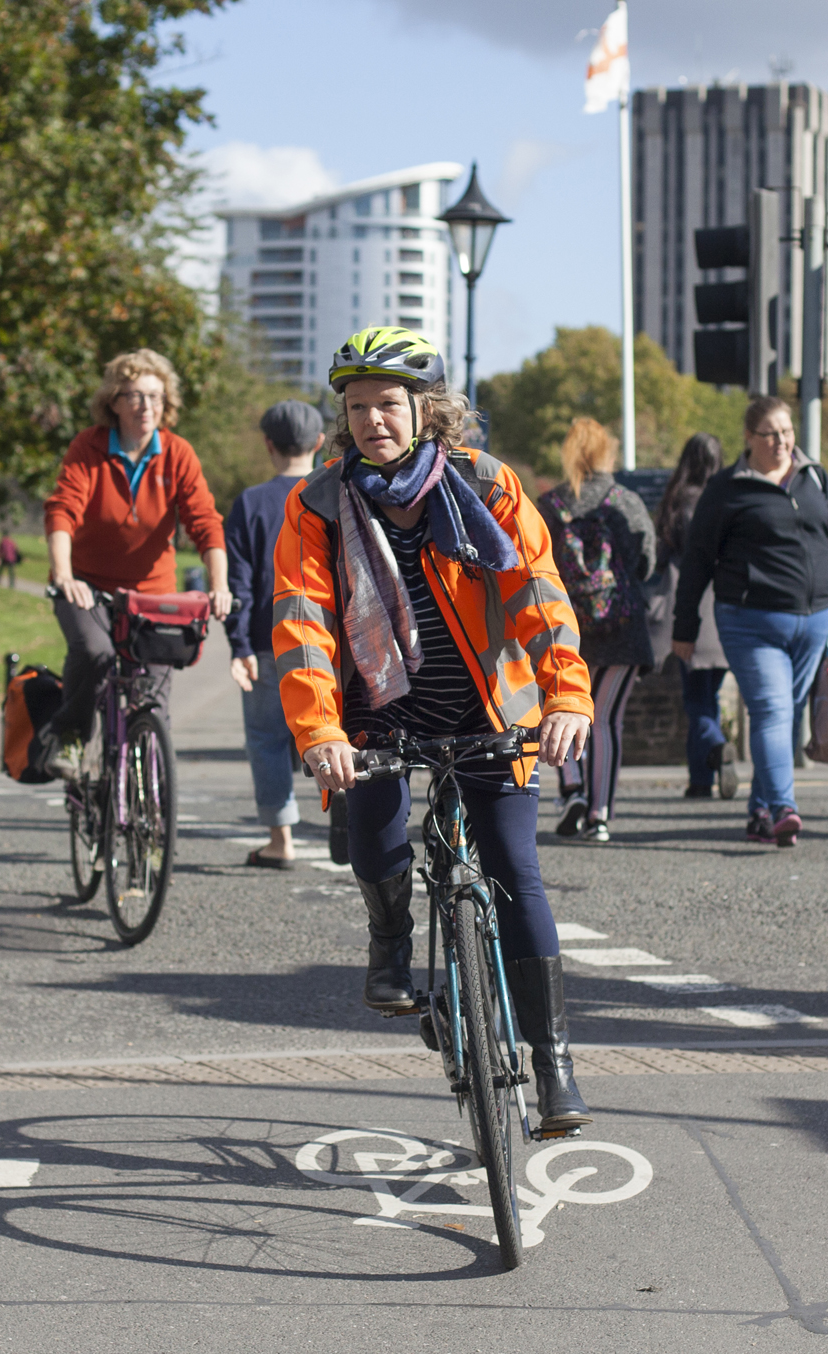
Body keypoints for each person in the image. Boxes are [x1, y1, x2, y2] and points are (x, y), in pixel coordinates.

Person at [272, 327, 594, 1134]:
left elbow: (538, 593)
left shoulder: (486, 484)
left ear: (426, 411)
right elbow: (304, 621)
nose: (372, 420)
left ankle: (554, 1069)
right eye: (357, 408)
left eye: (388, 404)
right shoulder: (316, 500)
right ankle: (389, 939)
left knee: (516, 871)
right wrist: (319, 730)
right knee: (375, 848)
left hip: (489, 710)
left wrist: (566, 699)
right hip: (377, 715)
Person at [674, 396, 828, 847]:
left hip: (816, 617)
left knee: (781, 715)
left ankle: (759, 810)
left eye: (787, 432)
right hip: (750, 619)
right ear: (750, 438)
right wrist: (685, 628)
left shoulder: (816, 479)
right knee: (773, 711)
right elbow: (698, 558)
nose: (781, 441)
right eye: (771, 434)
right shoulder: (727, 488)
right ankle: (783, 807)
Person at [38, 349, 230, 776]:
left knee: (152, 697)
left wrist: (219, 585)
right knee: (95, 651)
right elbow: (62, 510)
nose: (147, 407)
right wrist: (65, 575)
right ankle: (70, 735)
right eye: (136, 396)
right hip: (88, 584)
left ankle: (148, 791)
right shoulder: (88, 446)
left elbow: (205, 523)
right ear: (114, 401)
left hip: (152, 592)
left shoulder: (178, 453)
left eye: (156, 398)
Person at [537, 417, 655, 843]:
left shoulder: (549, 504)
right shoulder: (626, 501)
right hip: (622, 629)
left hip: (565, 630)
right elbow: (647, 564)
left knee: (559, 707)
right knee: (604, 721)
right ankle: (600, 814)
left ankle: (572, 788)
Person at [226, 399, 325, 868]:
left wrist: (239, 644)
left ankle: (280, 839)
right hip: (331, 639)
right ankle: (341, 800)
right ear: (320, 444)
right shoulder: (335, 493)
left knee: (266, 738)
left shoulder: (250, 503)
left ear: (268, 445)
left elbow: (238, 581)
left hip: (271, 636)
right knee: (337, 727)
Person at [652, 433, 733, 798]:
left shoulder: (677, 502)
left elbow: (659, 557)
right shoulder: (725, 500)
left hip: (689, 612)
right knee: (709, 697)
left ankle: (715, 746)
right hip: (724, 611)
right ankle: (700, 780)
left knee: (695, 699)